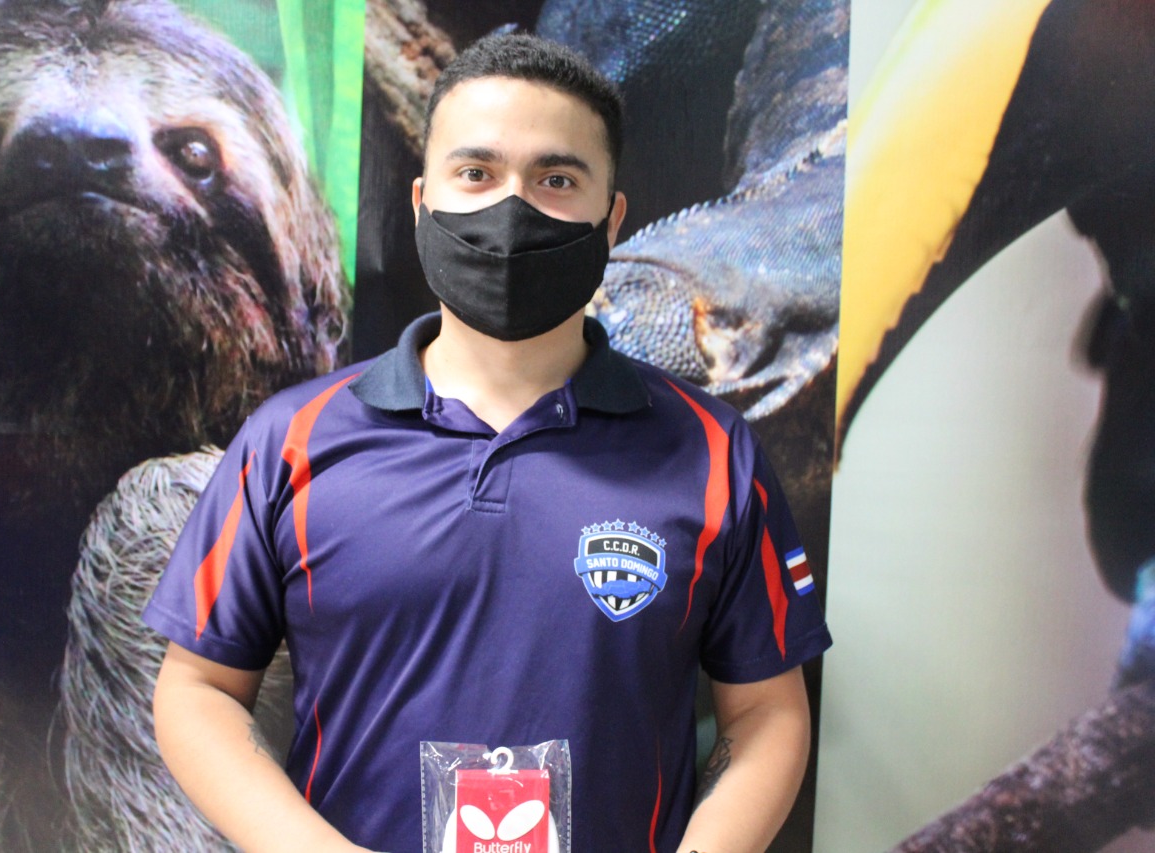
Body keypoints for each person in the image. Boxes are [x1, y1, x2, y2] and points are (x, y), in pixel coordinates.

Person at [145, 32, 832, 853]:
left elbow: (766, 713)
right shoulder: (288, 440)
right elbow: (197, 688)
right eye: (476, 173)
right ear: (421, 201)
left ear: (612, 217)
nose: (512, 209)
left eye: (556, 179)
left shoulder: (713, 452)